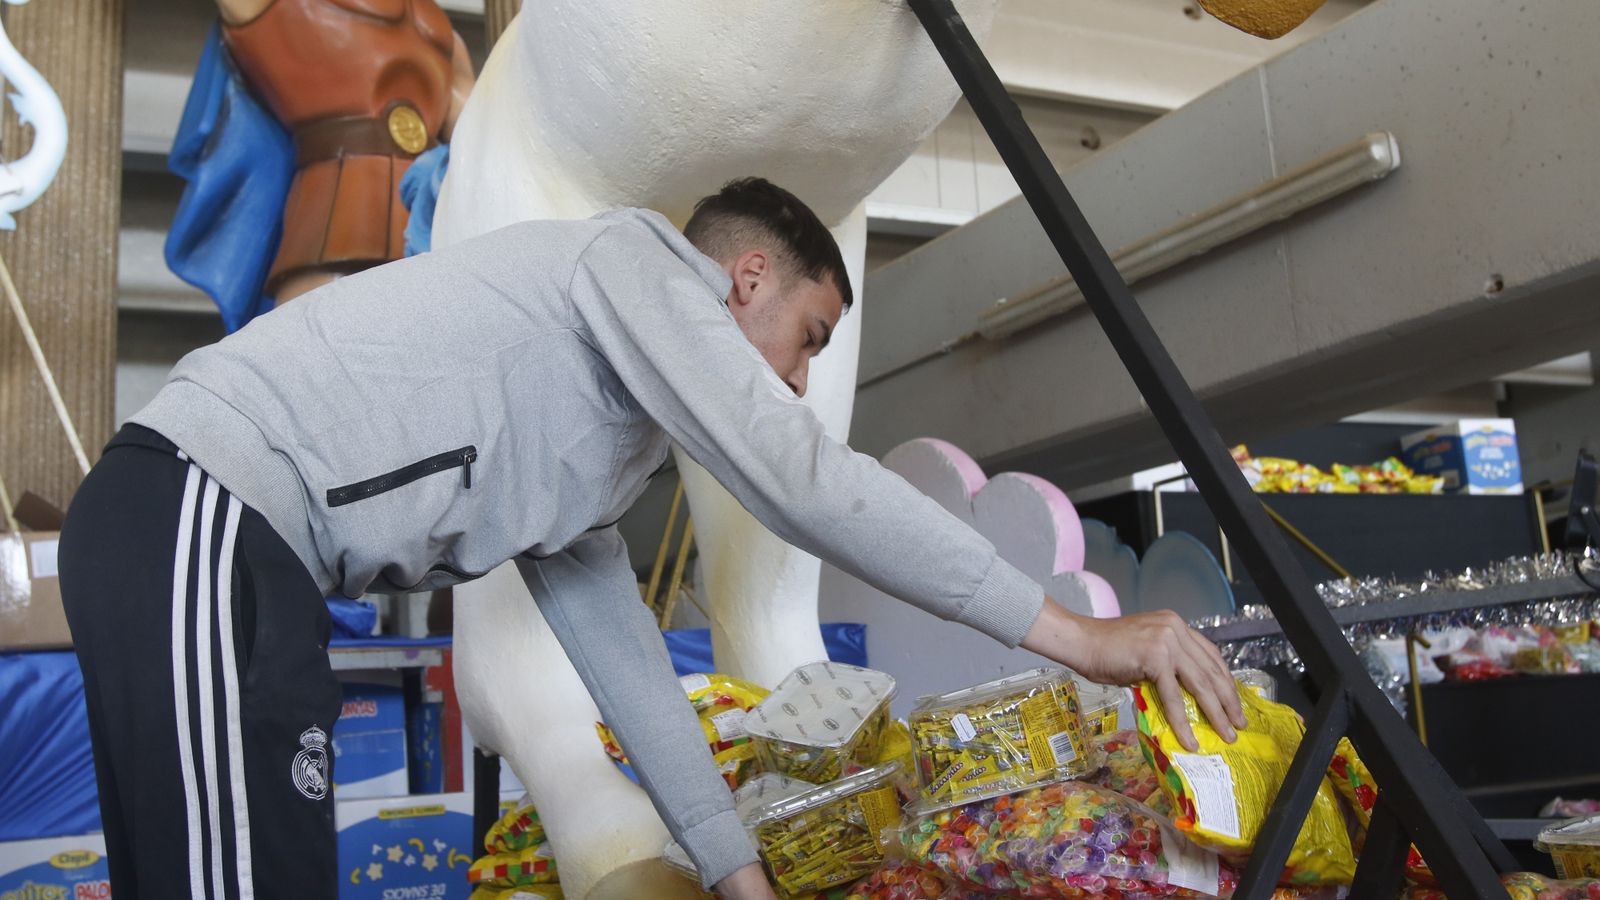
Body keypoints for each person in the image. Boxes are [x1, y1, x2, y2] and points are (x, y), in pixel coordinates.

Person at [60, 177, 1245, 900]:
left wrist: (736, 875)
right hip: (201, 504)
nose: (800, 379)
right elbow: (799, 480)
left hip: (231, 547)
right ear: (744, 278)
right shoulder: (626, 261)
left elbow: (629, 674)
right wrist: (1077, 637)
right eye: (808, 337)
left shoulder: (593, 454)